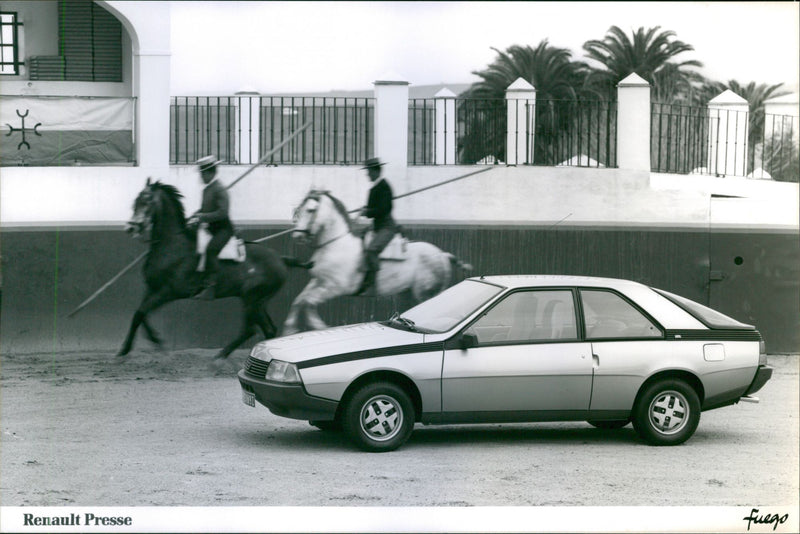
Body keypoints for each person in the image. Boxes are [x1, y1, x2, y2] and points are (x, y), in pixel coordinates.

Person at [188, 155, 233, 299]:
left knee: (211, 250)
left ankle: (211, 287)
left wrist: (201, 217)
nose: (201, 177)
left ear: (211, 173)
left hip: (223, 230)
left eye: (202, 173)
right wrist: (192, 216)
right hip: (210, 229)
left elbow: (222, 212)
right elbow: (203, 209)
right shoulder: (207, 190)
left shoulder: (220, 189)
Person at [356, 157, 397, 295]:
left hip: (387, 227)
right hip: (376, 226)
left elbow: (384, 209)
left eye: (368, 171)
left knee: (372, 250)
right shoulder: (373, 189)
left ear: (376, 171)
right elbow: (372, 210)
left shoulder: (385, 187)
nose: (367, 174)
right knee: (358, 239)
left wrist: (367, 211)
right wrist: (365, 209)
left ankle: (373, 285)